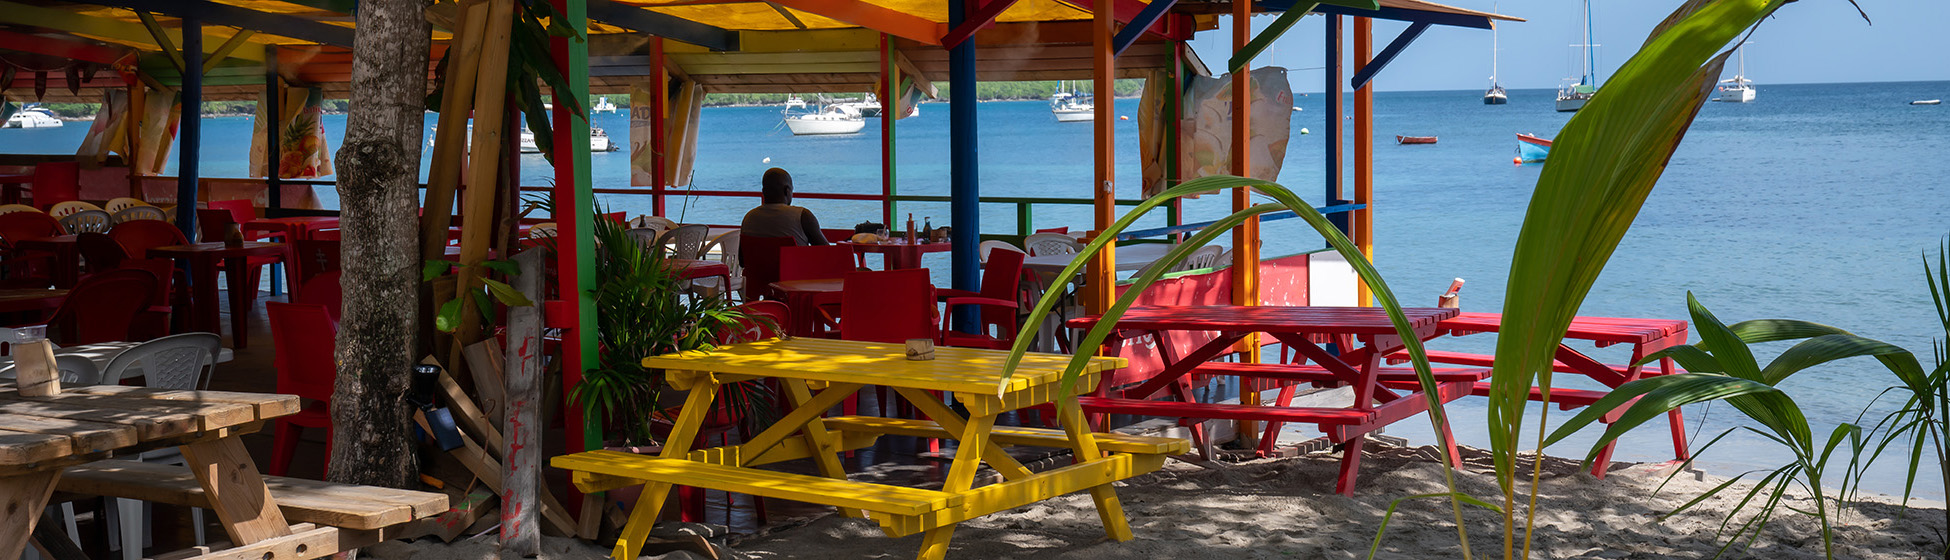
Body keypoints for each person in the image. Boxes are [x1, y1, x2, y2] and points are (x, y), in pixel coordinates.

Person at [740, 168, 829, 246]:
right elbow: (827, 254)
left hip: (757, 266)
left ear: (763, 192)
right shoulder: (803, 216)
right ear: (787, 191)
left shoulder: (749, 218)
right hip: (793, 265)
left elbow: (742, 259)